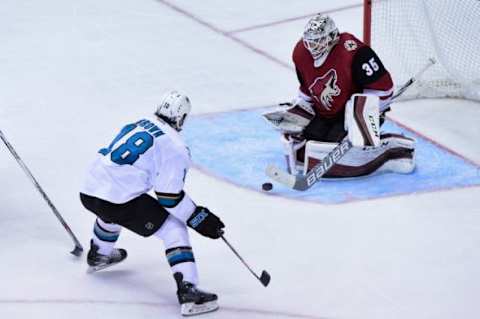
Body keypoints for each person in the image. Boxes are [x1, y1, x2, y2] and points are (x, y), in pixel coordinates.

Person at [79, 91, 224, 316]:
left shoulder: (139, 123)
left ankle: (100, 253)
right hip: (118, 200)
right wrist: (199, 218)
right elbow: (169, 197)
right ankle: (189, 292)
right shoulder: (175, 146)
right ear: (182, 118)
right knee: (174, 229)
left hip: (89, 190)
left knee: (111, 206)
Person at [264, 14, 415, 178]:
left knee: (333, 147)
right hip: (326, 112)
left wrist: (359, 115)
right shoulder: (300, 53)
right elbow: (307, 88)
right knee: (307, 145)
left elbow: (384, 89)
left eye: (318, 40)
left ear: (332, 37)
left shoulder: (355, 52)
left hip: (354, 112)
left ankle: (390, 147)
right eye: (310, 41)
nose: (313, 46)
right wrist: (298, 111)